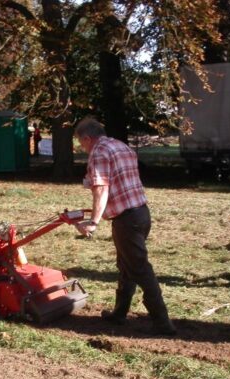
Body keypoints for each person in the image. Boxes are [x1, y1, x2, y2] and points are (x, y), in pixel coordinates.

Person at [74, 117, 176, 335]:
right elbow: (114, 179)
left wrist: (93, 222)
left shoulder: (99, 152)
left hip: (126, 219)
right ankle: (120, 313)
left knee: (139, 268)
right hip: (141, 213)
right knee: (127, 265)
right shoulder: (120, 146)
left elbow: (101, 188)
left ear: (87, 138)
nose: (82, 148)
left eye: (81, 144)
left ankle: (162, 321)